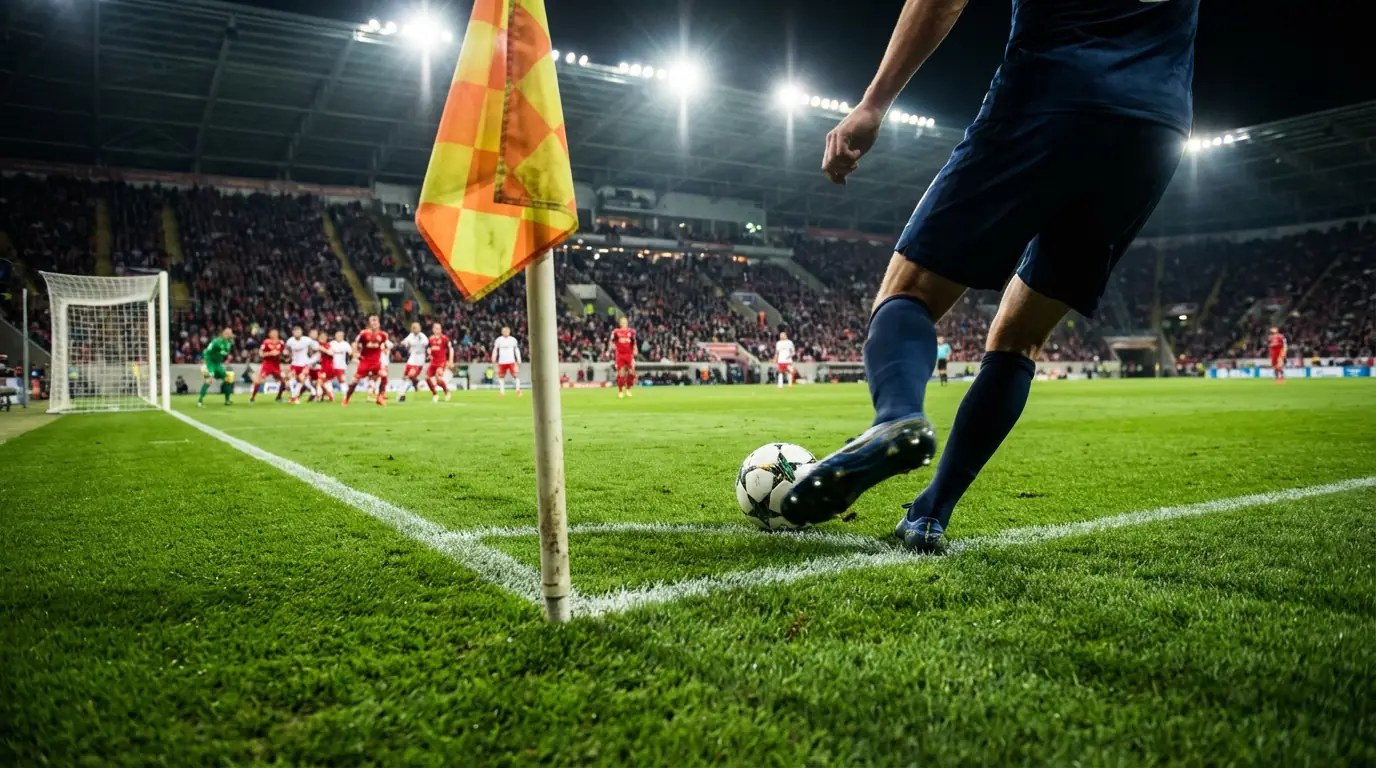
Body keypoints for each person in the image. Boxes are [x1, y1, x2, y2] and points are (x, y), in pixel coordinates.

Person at [784, 0, 1197, 551]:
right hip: (1155, 128)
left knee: (908, 291)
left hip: (1050, 91)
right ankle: (930, 514)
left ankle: (897, 419)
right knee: (1021, 338)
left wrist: (873, 103)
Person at [343, 316, 389, 407]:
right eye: (372, 321)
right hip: (365, 362)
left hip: (376, 362)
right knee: (354, 381)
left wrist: (385, 350)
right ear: (369, 323)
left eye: (376, 321)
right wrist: (355, 353)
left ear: (379, 323)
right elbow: (356, 343)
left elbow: (385, 344)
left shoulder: (383, 335)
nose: (374, 323)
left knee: (384, 375)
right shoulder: (364, 334)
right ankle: (347, 398)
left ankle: (380, 397)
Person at [198, 328, 235, 407]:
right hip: (209, 362)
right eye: (228, 333)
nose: (230, 334)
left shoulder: (229, 342)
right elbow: (207, 350)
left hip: (218, 364)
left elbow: (224, 353)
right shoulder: (216, 341)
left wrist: (227, 359)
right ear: (224, 333)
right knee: (209, 380)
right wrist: (204, 361)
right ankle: (200, 400)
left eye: (230, 333)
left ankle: (227, 400)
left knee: (228, 378)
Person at [250, 328, 287, 404]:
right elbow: (261, 354)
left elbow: (284, 353)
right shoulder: (266, 342)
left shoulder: (281, 343)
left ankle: (279, 397)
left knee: (284, 380)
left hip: (276, 365)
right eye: (272, 333)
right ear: (269, 334)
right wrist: (270, 353)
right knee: (259, 381)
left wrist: (285, 354)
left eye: (275, 332)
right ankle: (252, 398)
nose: (274, 334)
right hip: (267, 365)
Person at [283, 326, 317, 405]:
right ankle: (294, 397)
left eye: (299, 331)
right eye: (295, 331)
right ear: (293, 333)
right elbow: (286, 350)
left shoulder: (307, 340)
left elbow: (315, 348)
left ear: (301, 332)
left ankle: (294, 398)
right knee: (290, 381)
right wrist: (287, 355)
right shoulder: (290, 341)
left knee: (301, 380)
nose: (297, 333)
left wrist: (311, 359)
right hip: (294, 364)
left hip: (304, 364)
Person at [399, 322, 429, 403]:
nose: (416, 329)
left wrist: (420, 341)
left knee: (410, 375)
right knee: (406, 377)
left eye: (417, 327)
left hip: (419, 360)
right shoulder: (410, 336)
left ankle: (402, 395)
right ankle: (416, 384)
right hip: (411, 359)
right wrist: (406, 345)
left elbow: (426, 343)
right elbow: (404, 343)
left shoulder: (422, 336)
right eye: (414, 327)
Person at [609, 316, 637, 399]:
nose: (624, 324)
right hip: (620, 355)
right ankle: (620, 391)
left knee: (631, 373)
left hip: (629, 354)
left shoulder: (631, 332)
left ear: (627, 323)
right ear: (620, 324)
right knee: (621, 373)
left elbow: (634, 342)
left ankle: (628, 389)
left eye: (625, 322)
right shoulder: (616, 332)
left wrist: (635, 349)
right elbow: (611, 341)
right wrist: (610, 348)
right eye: (623, 322)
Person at [425, 322, 454, 402]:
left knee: (438, 379)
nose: (438, 330)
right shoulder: (430, 339)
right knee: (427, 378)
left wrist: (451, 360)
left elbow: (451, 348)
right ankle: (435, 394)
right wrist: (429, 353)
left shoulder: (444, 338)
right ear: (433, 329)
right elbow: (429, 348)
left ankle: (446, 392)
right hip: (433, 362)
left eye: (439, 328)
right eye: (436, 328)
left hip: (441, 362)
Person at [492, 326, 522, 398]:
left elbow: (516, 350)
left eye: (506, 331)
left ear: (509, 331)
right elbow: (495, 349)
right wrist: (494, 356)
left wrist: (519, 358)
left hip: (511, 361)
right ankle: (502, 392)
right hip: (502, 361)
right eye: (504, 331)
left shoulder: (513, 340)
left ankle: (518, 390)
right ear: (502, 332)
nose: (505, 332)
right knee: (501, 377)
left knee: (515, 375)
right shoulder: (498, 340)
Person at [325, 330, 352, 398]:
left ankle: (345, 395)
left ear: (343, 337)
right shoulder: (331, 343)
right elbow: (326, 351)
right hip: (331, 365)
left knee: (342, 380)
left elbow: (350, 352)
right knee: (328, 380)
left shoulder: (345, 344)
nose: (338, 337)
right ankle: (331, 395)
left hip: (341, 366)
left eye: (340, 336)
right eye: (337, 335)